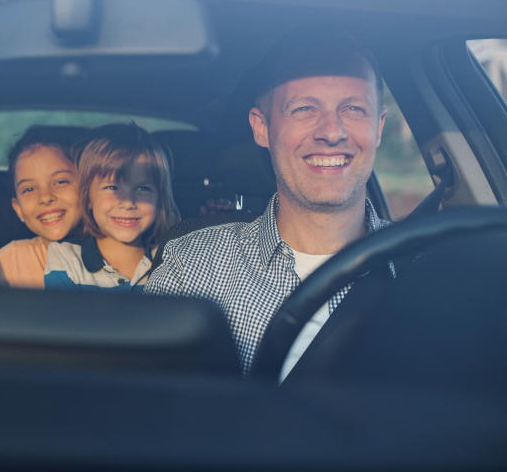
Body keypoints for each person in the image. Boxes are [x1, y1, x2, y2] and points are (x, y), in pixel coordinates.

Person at [146, 31, 389, 375]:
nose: (332, 132)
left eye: (353, 109)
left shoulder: (431, 268)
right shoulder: (192, 267)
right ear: (261, 128)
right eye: (304, 109)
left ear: (378, 128)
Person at [44, 122, 180, 291]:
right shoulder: (66, 258)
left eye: (142, 188)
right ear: (87, 198)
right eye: (112, 187)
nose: (128, 202)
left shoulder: (174, 260)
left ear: (159, 199)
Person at [0, 126, 83, 288]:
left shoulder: (119, 254)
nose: (45, 197)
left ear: (88, 187)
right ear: (18, 209)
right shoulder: (10, 261)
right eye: (29, 189)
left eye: (60, 182)